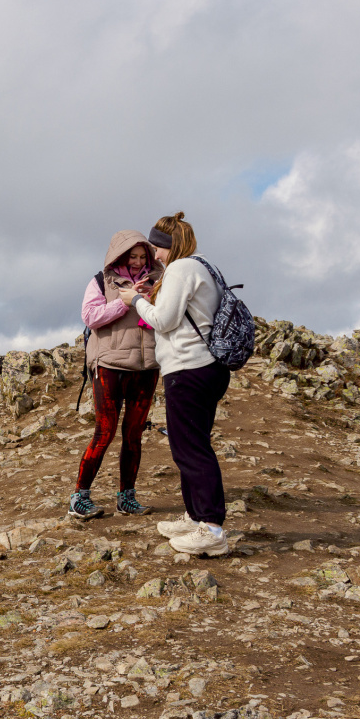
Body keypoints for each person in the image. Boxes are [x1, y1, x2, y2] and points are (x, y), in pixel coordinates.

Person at [118, 211, 231, 557]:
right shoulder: (202, 266)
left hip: (188, 368)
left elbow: (164, 321)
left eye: (156, 247)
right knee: (190, 443)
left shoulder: (181, 269)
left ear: (168, 245)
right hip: (206, 368)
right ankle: (196, 517)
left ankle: (211, 530)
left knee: (191, 449)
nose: (153, 254)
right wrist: (155, 295)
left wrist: (135, 301)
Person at [70, 230, 163, 520]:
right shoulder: (101, 281)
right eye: (131, 257)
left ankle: (127, 498)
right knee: (104, 433)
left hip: (147, 367)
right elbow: (90, 317)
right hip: (109, 366)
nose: (137, 262)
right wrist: (126, 301)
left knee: (134, 435)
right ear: (119, 256)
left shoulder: (160, 280)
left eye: (142, 256)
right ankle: (79, 498)